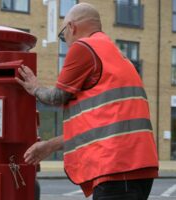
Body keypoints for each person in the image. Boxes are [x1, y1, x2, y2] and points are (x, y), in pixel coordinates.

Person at [15, 3, 159, 200]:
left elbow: (57, 97)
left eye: (62, 34)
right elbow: (97, 130)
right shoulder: (117, 55)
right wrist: (49, 145)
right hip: (139, 166)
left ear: (72, 27)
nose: (65, 41)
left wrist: (35, 87)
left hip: (116, 167)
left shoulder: (83, 47)